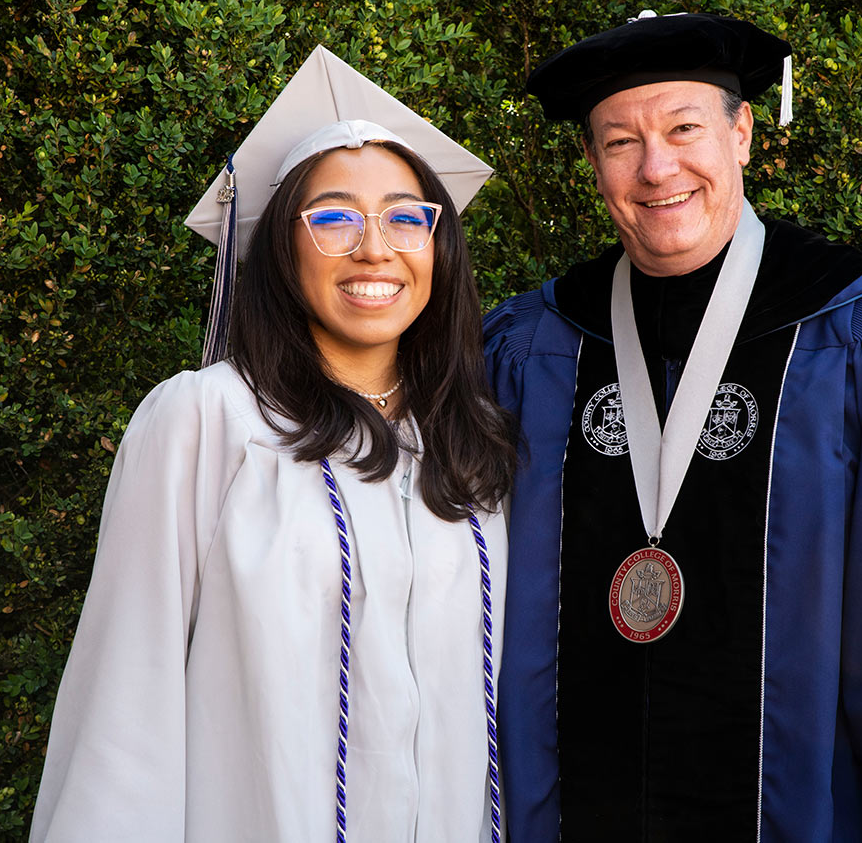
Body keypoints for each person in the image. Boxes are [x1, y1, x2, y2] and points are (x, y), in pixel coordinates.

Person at [484, 12, 862, 841]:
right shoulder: (534, 345)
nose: (657, 168)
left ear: (742, 132)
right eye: (619, 142)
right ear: (592, 162)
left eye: (684, 128)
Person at [31, 47, 516, 842]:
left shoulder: (466, 446)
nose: (374, 246)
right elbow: (127, 687)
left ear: (439, 245)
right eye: (333, 218)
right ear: (281, 249)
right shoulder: (206, 421)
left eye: (405, 215)